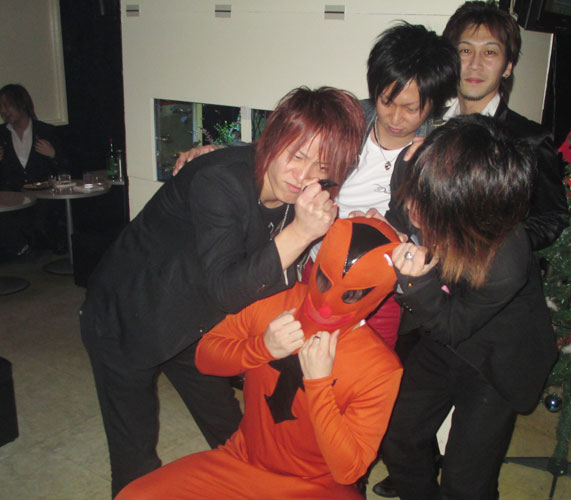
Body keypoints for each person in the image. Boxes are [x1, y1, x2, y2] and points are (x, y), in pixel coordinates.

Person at [79, 86, 366, 498]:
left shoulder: (298, 196)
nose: (303, 177)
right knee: (136, 462)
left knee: (236, 436)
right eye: (296, 155)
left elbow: (277, 278)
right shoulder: (220, 180)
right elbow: (227, 291)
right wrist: (302, 233)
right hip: (127, 318)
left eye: (320, 166)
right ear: (273, 140)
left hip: (193, 321)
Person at [174, 23, 460, 349]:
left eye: (411, 109)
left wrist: (399, 233)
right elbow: (287, 147)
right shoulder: (352, 119)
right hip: (318, 264)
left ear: (433, 104)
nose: (395, 118)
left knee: (362, 362)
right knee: (301, 354)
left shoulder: (440, 152)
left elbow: (442, 234)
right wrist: (220, 151)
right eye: (386, 102)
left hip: (377, 286)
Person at [114, 217, 404, 500]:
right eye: (324, 281)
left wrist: (318, 385)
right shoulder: (274, 299)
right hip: (241, 462)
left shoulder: (380, 368)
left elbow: (348, 470)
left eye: (351, 295)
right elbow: (205, 357)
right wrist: (262, 347)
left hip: (317, 486)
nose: (327, 307)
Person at [380, 114, 558, 499]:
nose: (414, 208)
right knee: (398, 441)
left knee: (466, 482)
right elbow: (401, 212)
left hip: (496, 359)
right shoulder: (440, 192)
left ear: (467, 207)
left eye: (426, 202)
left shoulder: (506, 259)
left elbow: (452, 326)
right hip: (443, 341)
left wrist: (415, 282)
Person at [439, 0, 569, 251]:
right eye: (465, 50)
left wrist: (494, 246)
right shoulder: (431, 126)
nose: (475, 64)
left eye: (490, 52)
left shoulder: (529, 138)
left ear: (508, 66)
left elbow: (552, 217)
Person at [0, 83, 67, 258]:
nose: (3, 111)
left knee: (45, 219)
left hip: (43, 196)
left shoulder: (45, 131)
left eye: (7, 105)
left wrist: (53, 154)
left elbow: (67, 167)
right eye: (1, 106)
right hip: (12, 196)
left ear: (21, 103)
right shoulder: (1, 135)